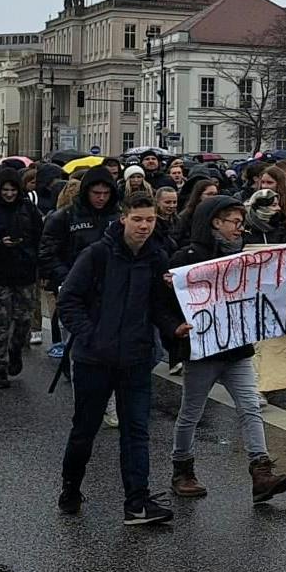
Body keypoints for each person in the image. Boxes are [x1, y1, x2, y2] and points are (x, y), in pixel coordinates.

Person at [57, 190, 190, 524]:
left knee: (136, 431)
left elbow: (157, 306)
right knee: (84, 430)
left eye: (150, 220)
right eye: (138, 219)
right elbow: (68, 300)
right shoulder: (97, 255)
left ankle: (137, 502)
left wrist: (173, 328)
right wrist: (92, 336)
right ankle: (71, 487)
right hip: (94, 361)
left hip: (136, 358)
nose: (144, 226)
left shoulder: (157, 257)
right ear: (123, 218)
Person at [167, 196, 286, 503]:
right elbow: (165, 304)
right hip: (203, 351)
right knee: (191, 413)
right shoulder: (186, 258)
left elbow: (266, 287)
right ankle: (182, 469)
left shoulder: (244, 257)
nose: (240, 228)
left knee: (250, 406)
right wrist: (175, 325)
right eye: (235, 222)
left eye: (241, 223)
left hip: (236, 349)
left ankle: (261, 471)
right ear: (216, 222)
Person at [39, 168, 121, 362]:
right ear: (86, 191)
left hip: (110, 290)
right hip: (76, 291)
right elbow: (47, 253)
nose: (101, 198)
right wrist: (67, 278)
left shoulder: (118, 218)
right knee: (77, 346)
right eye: (96, 193)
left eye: (106, 193)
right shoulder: (64, 217)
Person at [0, 167, 43, 388]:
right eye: (5, 190)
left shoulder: (28, 209)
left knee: (23, 321)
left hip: (24, 273)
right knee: (1, 322)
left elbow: (40, 237)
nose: (9, 194)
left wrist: (38, 262)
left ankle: (14, 349)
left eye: (13, 189)